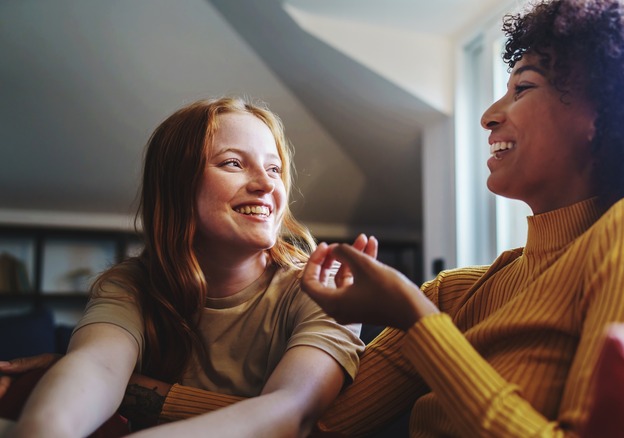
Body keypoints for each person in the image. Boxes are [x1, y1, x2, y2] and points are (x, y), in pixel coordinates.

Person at [299, 0, 624, 436]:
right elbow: (314, 424)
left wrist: (416, 321)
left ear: (609, 115)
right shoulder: (457, 292)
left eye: (523, 87)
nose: (488, 115)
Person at [2, 96, 369, 437]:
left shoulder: (324, 287)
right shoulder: (132, 286)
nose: (264, 184)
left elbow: (291, 411)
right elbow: (97, 367)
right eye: (233, 163)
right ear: (178, 185)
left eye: (274, 169)